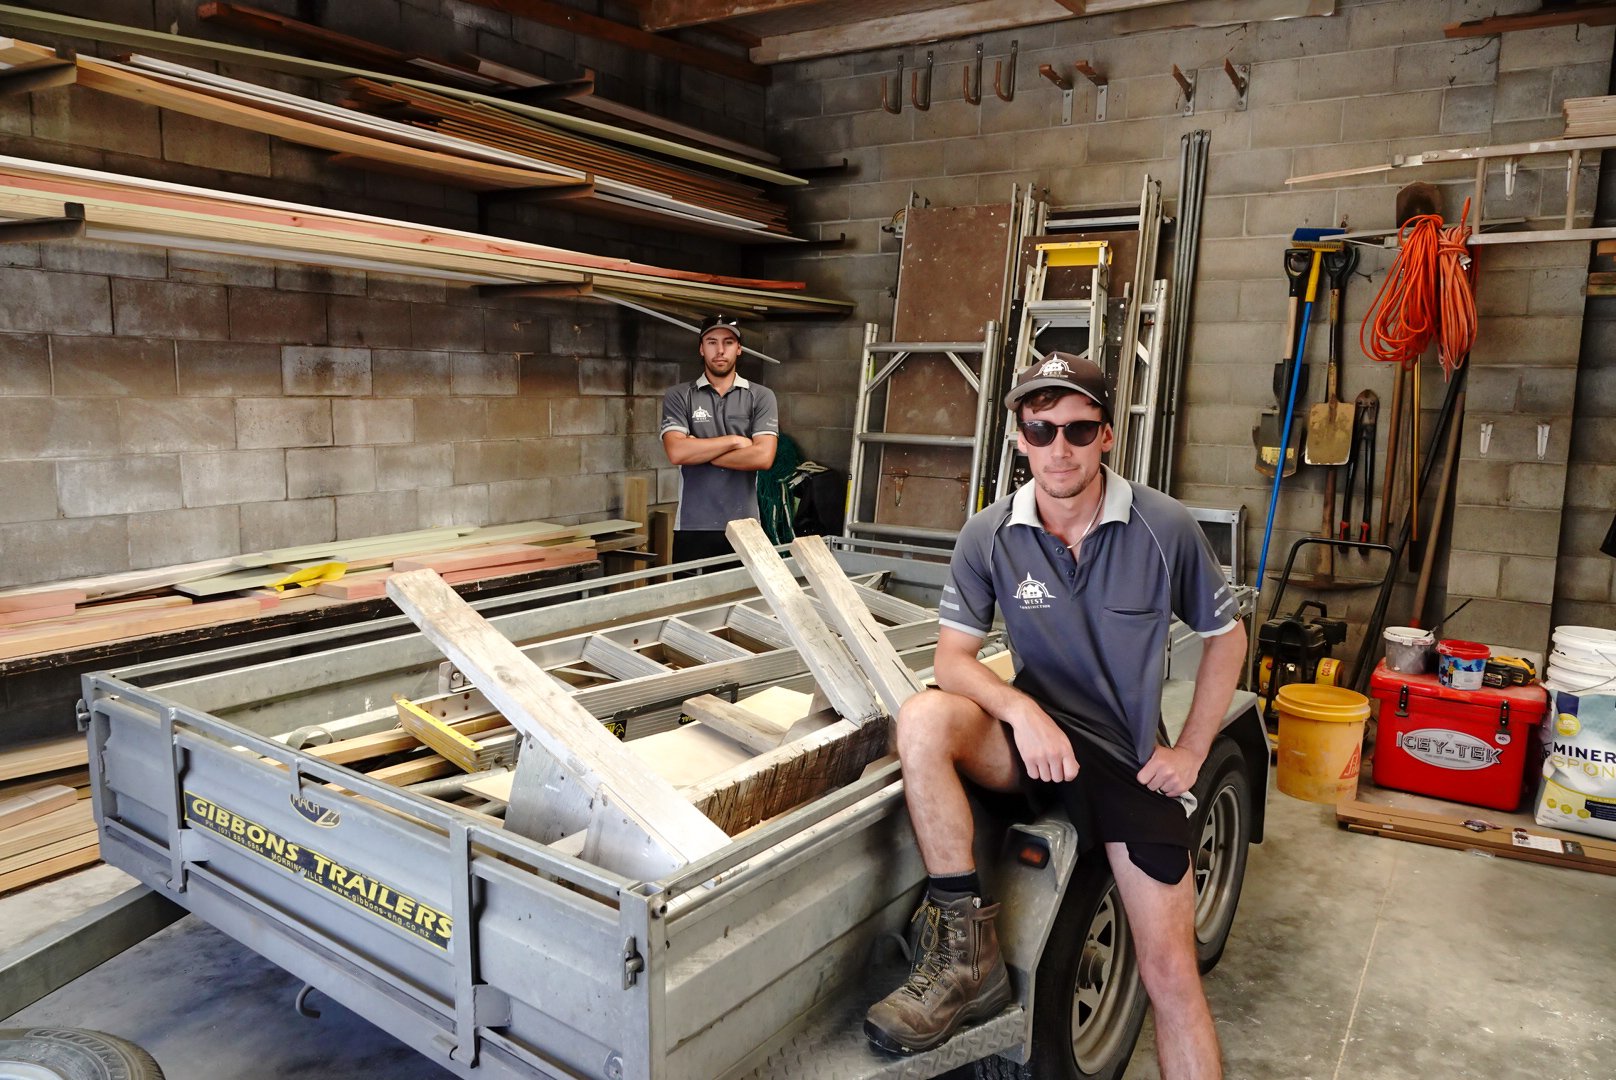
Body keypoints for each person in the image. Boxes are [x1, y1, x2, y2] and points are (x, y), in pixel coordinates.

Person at [864, 353, 1246, 1078]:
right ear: (1018, 436)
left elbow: (1228, 638)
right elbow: (954, 659)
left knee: (1170, 979)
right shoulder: (989, 534)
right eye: (1041, 430)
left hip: (1128, 761)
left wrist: (1193, 750)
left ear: (1107, 436)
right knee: (923, 718)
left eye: (1078, 428)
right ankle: (965, 958)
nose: (1058, 447)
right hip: (1033, 747)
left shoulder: (1163, 527)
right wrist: (1020, 710)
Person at [660, 314, 779, 563]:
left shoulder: (761, 396)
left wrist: (699, 451)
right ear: (701, 349)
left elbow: (763, 456)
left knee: (745, 601)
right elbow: (677, 453)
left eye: (728, 342)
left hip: (746, 526)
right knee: (694, 601)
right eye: (712, 342)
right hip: (693, 526)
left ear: (739, 349)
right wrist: (735, 441)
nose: (720, 350)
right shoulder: (679, 395)